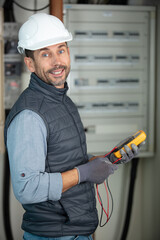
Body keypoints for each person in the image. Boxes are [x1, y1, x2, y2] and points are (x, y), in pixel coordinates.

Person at [4, 13, 141, 240]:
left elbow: (61, 158)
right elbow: (27, 188)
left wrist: (105, 160)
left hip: (75, 231)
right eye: (45, 54)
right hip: (54, 235)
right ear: (30, 63)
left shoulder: (62, 101)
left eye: (61, 49)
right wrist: (85, 173)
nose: (57, 61)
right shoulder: (29, 115)